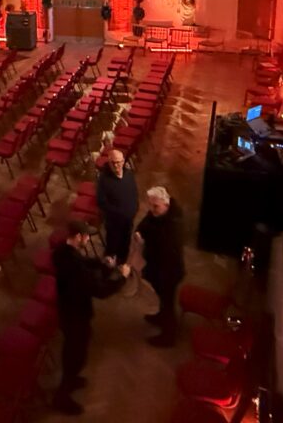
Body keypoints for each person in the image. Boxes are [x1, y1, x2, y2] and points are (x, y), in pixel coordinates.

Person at [52, 219, 130, 414]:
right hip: (75, 316)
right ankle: (62, 397)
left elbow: (84, 263)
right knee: (74, 355)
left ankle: (72, 379)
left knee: (77, 350)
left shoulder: (63, 252)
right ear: (79, 237)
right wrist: (122, 278)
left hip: (68, 310)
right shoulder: (75, 268)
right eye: (86, 236)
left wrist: (103, 264)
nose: (88, 239)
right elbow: (100, 290)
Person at [135, 186, 185, 347]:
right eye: (150, 205)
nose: (151, 209)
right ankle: (161, 317)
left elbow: (160, 245)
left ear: (166, 204)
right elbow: (145, 222)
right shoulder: (158, 212)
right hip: (157, 268)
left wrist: (145, 238)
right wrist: (139, 232)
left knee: (168, 303)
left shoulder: (173, 225)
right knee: (162, 300)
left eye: (155, 206)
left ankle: (168, 336)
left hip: (168, 272)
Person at [96, 149, 138, 264]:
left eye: (118, 162)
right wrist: (119, 214)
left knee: (125, 242)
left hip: (128, 220)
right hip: (114, 222)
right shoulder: (104, 180)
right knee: (112, 245)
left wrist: (135, 208)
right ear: (109, 163)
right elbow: (101, 202)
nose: (116, 165)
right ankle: (110, 265)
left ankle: (122, 262)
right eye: (113, 162)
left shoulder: (128, 174)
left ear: (123, 161)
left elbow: (134, 192)